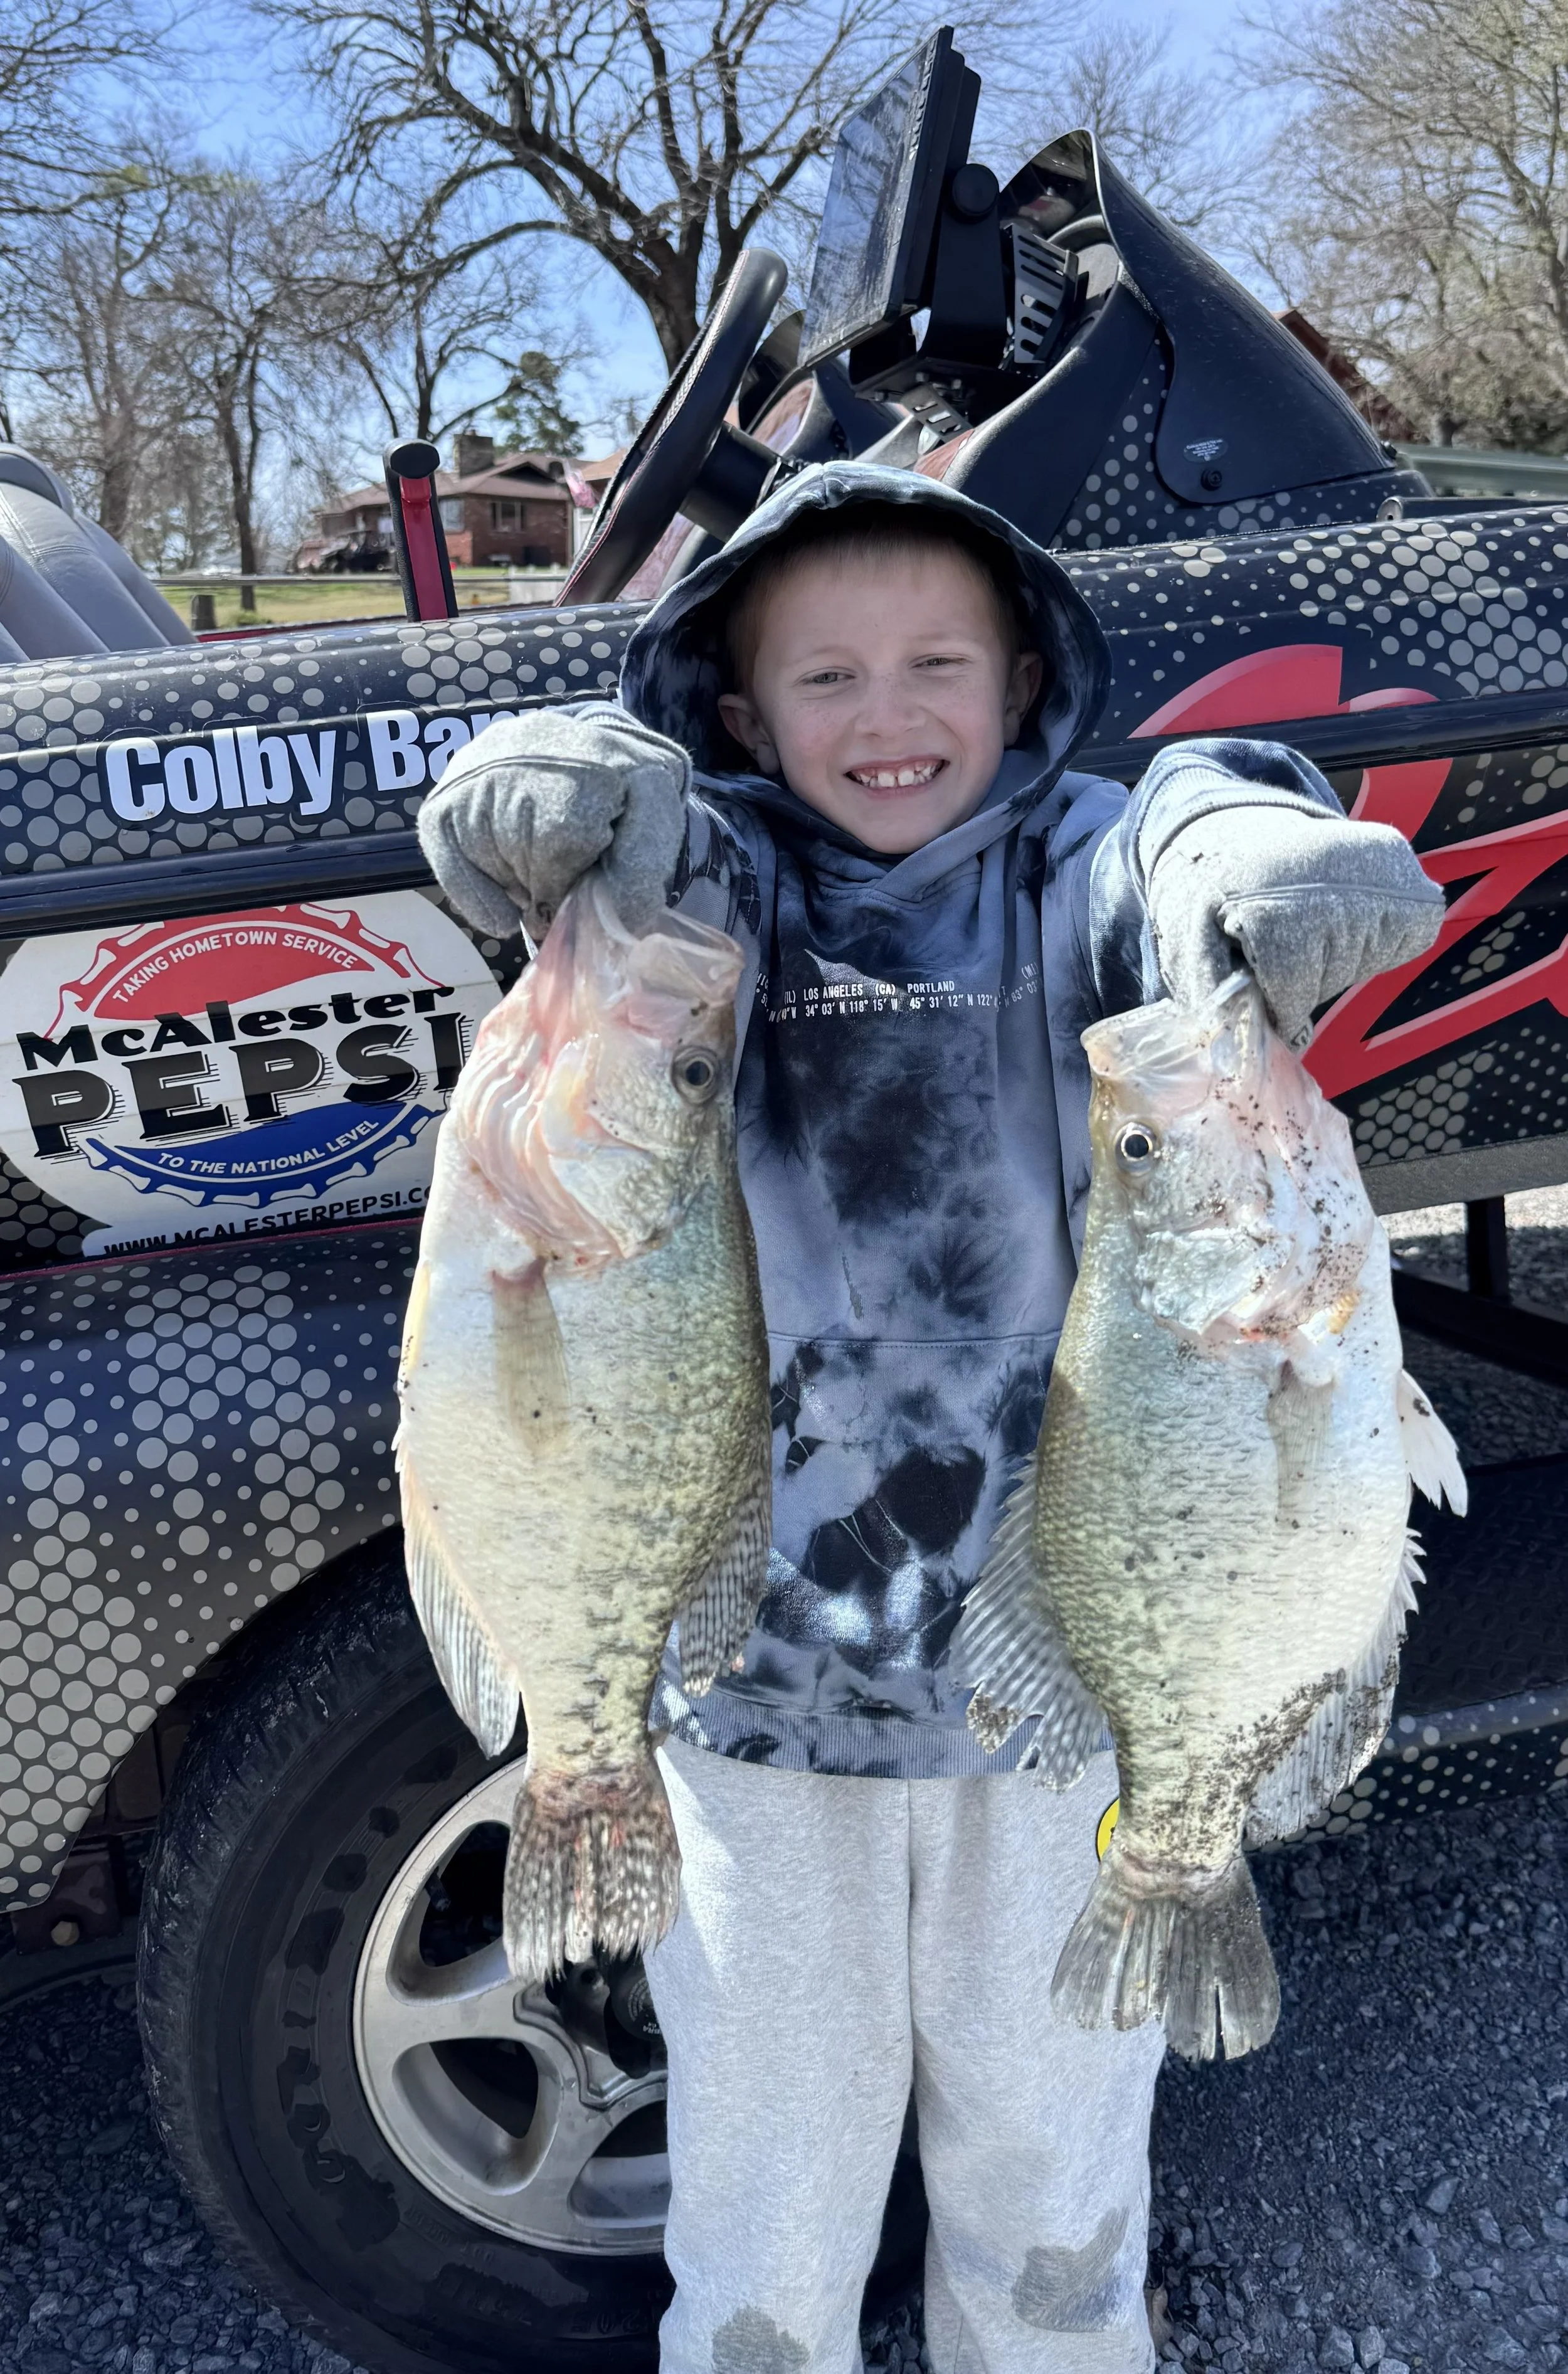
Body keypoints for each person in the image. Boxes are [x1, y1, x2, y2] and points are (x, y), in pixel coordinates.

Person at [417, 464, 1441, 2374]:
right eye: (823, 680)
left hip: (1065, 1704)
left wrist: (1252, 856)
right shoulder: (706, 881)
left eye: (934, 666)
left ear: (1023, 674)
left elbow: (1205, 819)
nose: (885, 719)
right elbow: (555, 821)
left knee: (1052, 2180)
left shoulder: (1093, 861)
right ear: (736, 709)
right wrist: (552, 782)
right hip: (750, 1704)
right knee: (764, 2186)